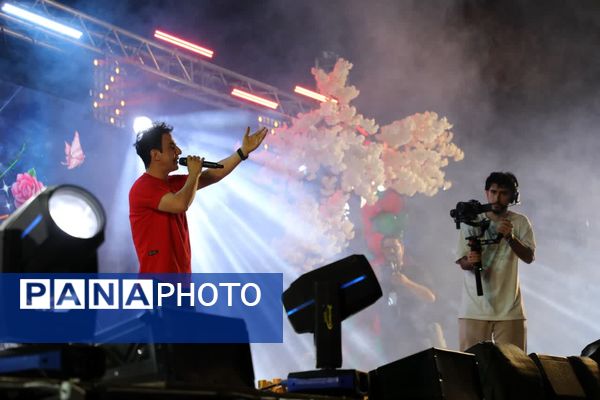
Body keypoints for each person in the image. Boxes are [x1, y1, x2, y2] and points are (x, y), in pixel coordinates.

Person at [129, 122, 267, 273]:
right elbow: (180, 204)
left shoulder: (173, 183)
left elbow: (213, 175)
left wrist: (242, 152)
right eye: (172, 147)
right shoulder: (143, 188)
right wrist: (194, 174)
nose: (179, 151)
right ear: (156, 155)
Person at [455, 171, 535, 352]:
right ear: (486, 193)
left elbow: (529, 257)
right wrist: (471, 261)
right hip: (474, 309)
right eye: (493, 192)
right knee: (471, 365)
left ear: (513, 196)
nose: (497, 198)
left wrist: (510, 238)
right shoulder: (471, 220)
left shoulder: (520, 222)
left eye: (503, 193)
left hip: (510, 310)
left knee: (515, 365)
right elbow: (462, 261)